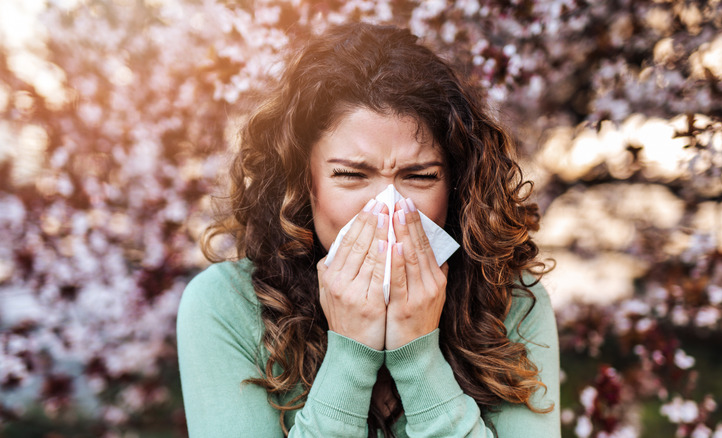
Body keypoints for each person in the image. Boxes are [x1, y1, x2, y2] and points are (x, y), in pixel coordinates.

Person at [177, 22, 560, 437]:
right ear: (304, 183)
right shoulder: (226, 305)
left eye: (420, 176)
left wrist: (417, 357)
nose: (387, 210)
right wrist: (351, 355)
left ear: (455, 185)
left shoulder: (511, 300)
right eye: (351, 175)